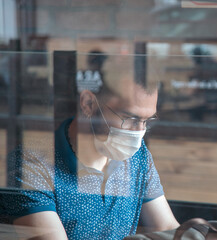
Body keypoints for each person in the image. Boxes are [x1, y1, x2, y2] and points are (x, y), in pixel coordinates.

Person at [1, 66, 179, 239]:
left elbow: (166, 228)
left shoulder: (138, 156)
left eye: (146, 121)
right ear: (88, 104)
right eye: (130, 119)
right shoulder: (31, 164)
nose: (138, 133)